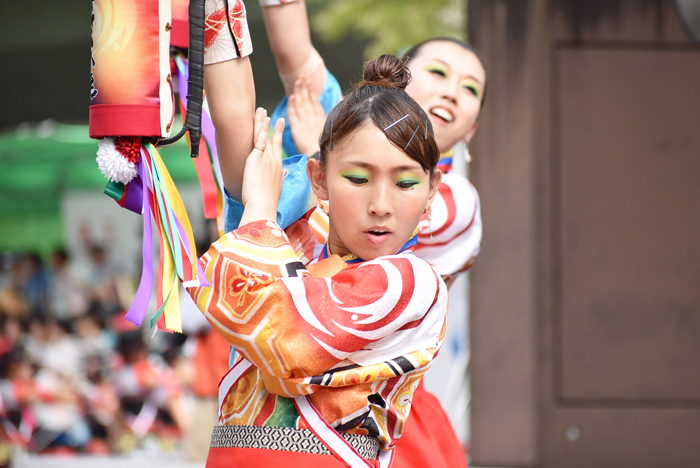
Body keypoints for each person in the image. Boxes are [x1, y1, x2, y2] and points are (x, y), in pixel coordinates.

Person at [191, 22, 448, 462]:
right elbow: (233, 119)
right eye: (357, 178)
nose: (381, 204)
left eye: (405, 183)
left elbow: (285, 341)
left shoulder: (413, 285)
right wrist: (215, 14)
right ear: (318, 179)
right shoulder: (288, 235)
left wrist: (258, 208)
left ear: (431, 193)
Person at [284, 36, 486, 467]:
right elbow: (297, 60)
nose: (452, 91)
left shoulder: (457, 202)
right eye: (438, 72)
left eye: (471, 89)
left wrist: (316, 170)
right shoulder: (333, 150)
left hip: (388, 412)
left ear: (472, 128)